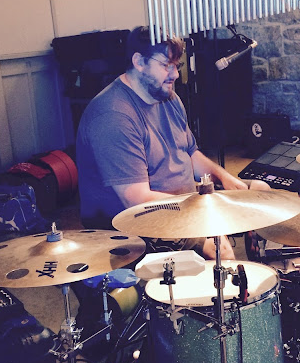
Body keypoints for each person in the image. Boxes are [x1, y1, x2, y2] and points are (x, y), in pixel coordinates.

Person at [76, 25, 261, 261]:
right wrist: (202, 212)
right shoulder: (113, 116)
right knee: (219, 251)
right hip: (138, 223)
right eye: (166, 65)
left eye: (177, 65)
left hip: (183, 202)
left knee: (260, 192)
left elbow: (190, 154)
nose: (174, 74)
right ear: (139, 62)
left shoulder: (167, 97)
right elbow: (136, 200)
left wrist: (223, 177)